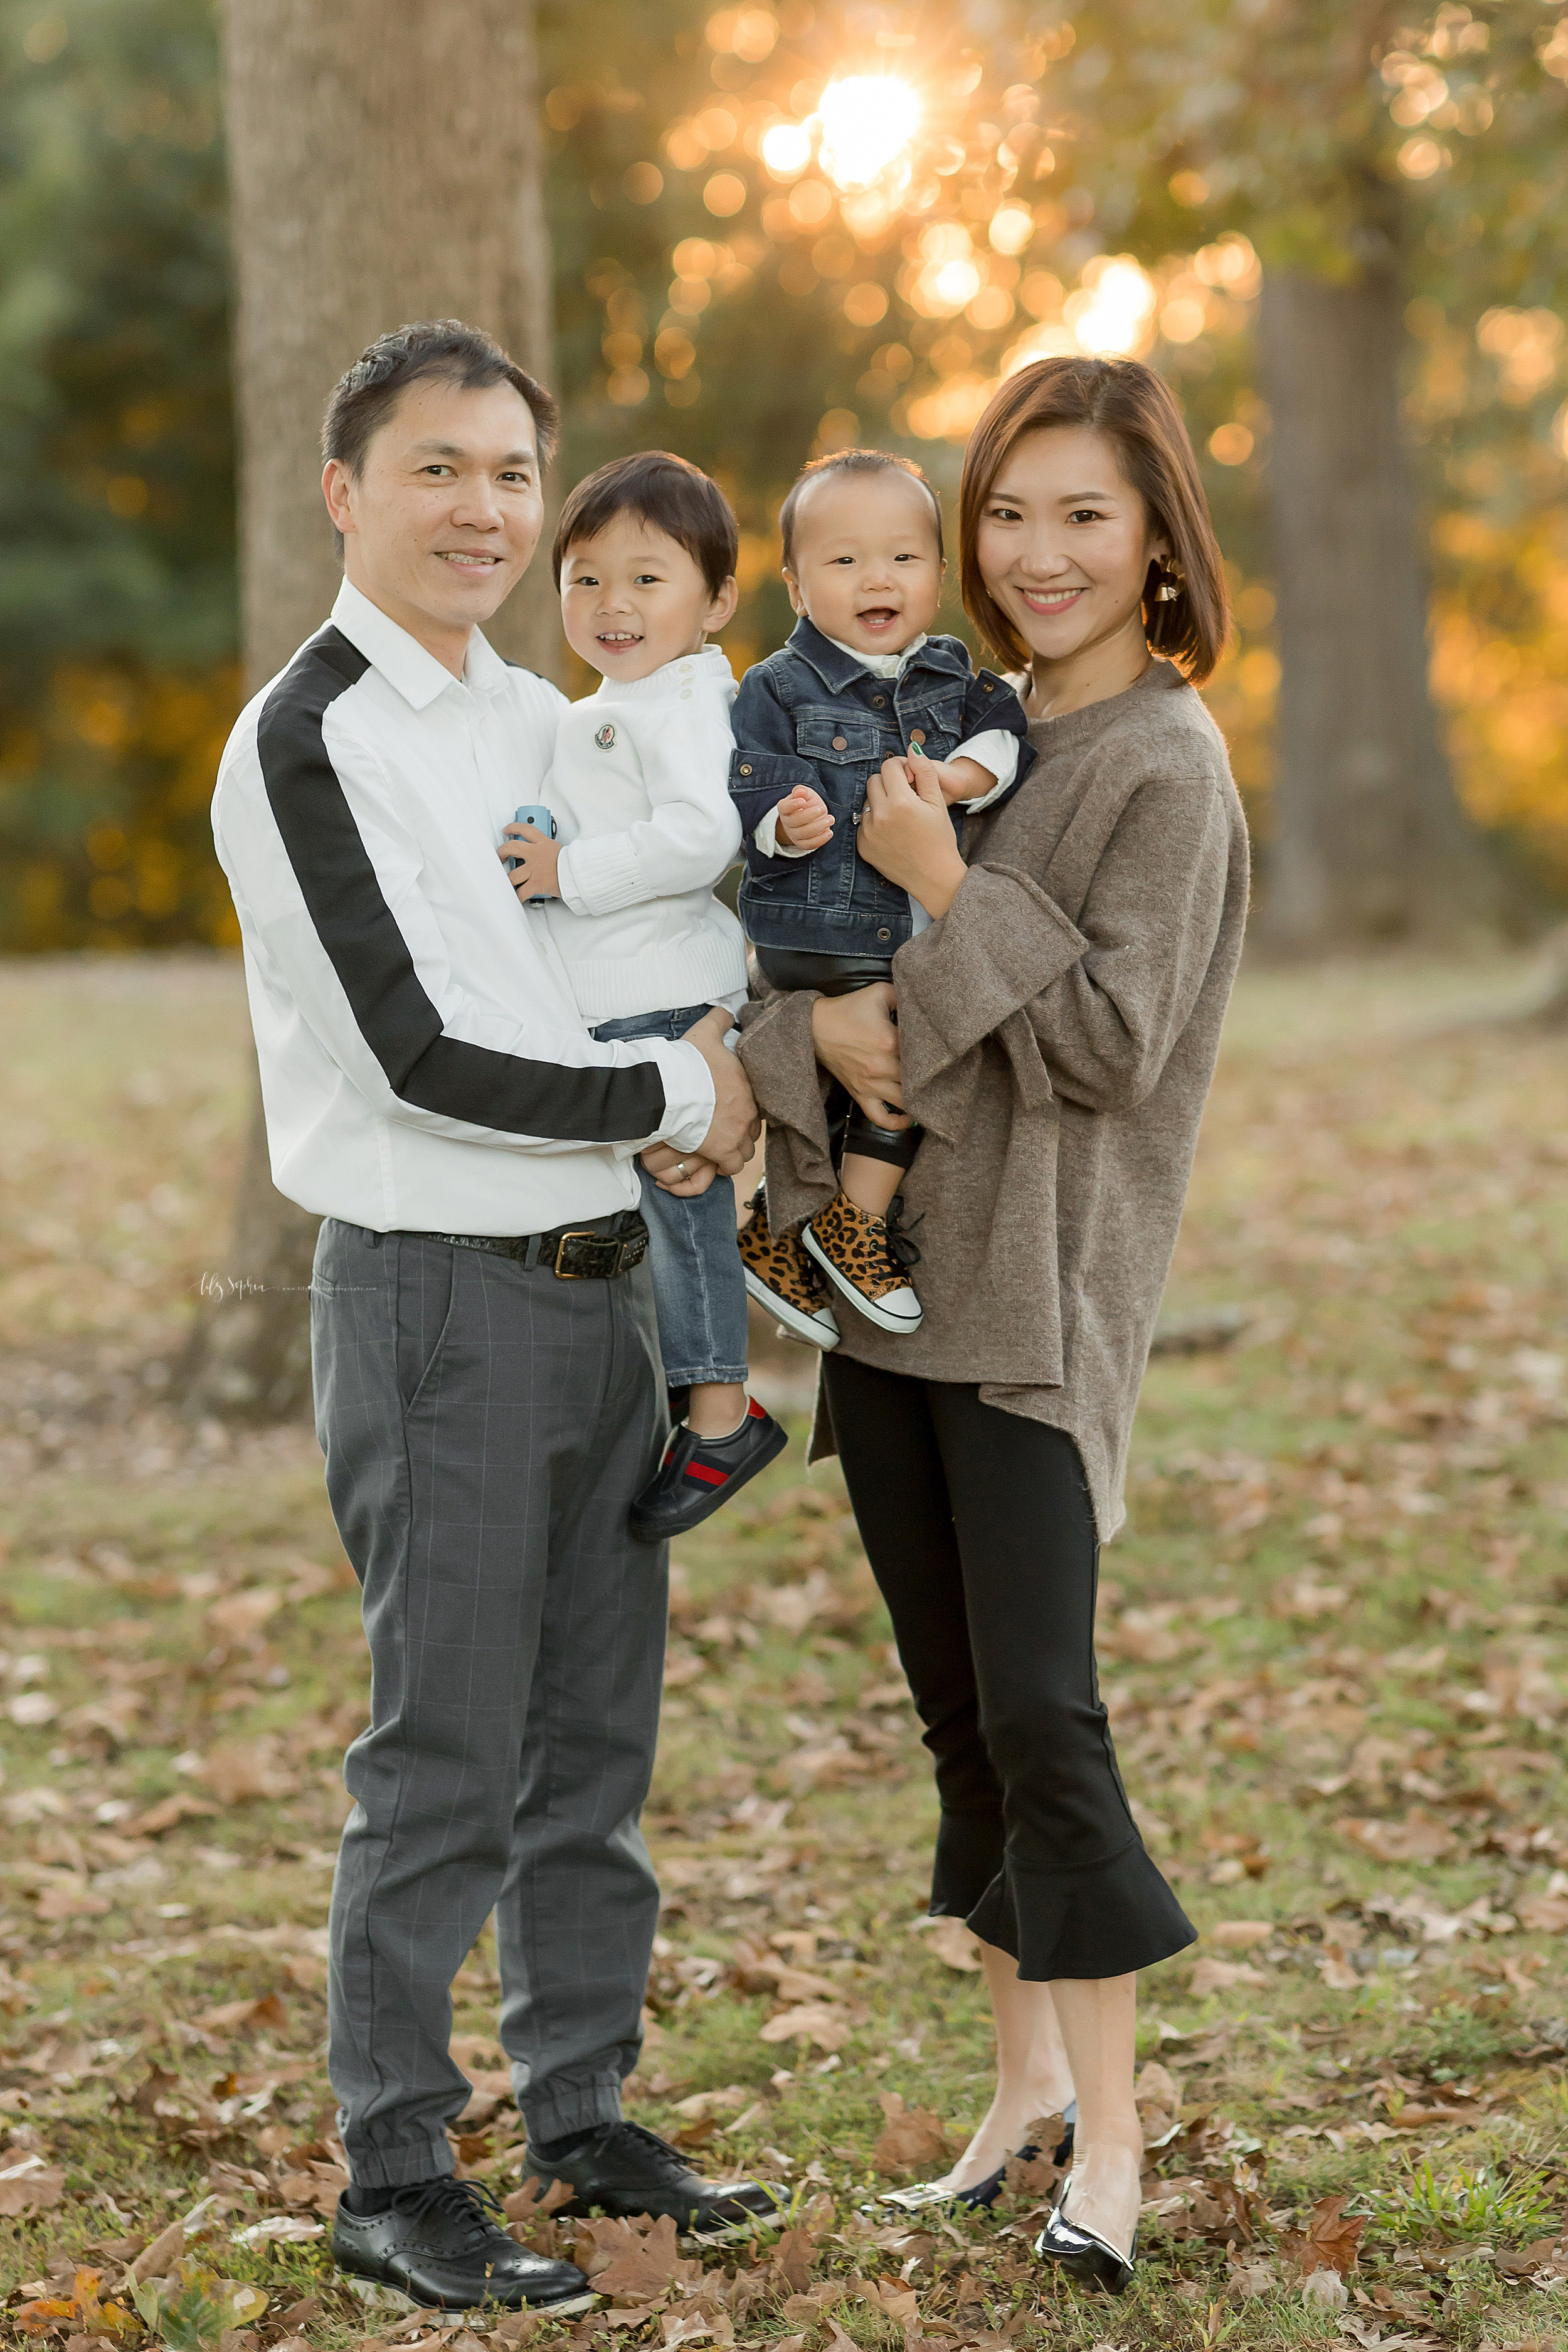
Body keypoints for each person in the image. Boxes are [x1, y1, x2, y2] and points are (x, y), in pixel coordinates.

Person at [211, 320, 776, 2316]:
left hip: (613, 1286)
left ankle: (580, 2106)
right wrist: (675, 1095)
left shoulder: (534, 709)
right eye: (439, 468)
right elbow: (411, 1051)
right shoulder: (307, 739)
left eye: (513, 475)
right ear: (348, 491)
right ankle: (392, 2165)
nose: (484, 506)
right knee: (444, 1748)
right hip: (440, 1297)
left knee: (587, 1747)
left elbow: (676, 850)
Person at [735, 356, 1251, 2297]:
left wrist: (945, 886)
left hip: (1033, 1303)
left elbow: (1110, 1050)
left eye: (1083, 516)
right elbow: (801, 989)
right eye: (1010, 514)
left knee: (1044, 1711)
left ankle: (1114, 2137)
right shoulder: (942, 715)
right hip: (883, 1303)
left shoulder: (1160, 767)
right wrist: (808, 1033)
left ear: (1155, 542)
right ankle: (1020, 2085)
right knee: (959, 1721)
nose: (1037, 555)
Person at [496, 450, 785, 1539]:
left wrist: (572, 873)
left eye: (647, 578)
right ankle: (687, 1398)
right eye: (585, 578)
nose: (612, 603)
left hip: (664, 992)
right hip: (619, 997)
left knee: (681, 1200)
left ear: (715, 601)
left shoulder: (682, 703)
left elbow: (703, 836)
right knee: (653, 1207)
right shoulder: (611, 706)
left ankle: (720, 1414)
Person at [729, 450, 1033, 1340]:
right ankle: (852, 1221)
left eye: (903, 558)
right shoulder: (777, 685)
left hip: (899, 928)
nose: (878, 578)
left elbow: (1007, 737)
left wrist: (960, 776)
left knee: (844, 1082)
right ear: (795, 584)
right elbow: (750, 785)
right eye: (845, 559)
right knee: (915, 1051)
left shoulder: (955, 676)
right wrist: (783, 824)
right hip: (817, 921)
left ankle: (777, 1236)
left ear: (939, 575)